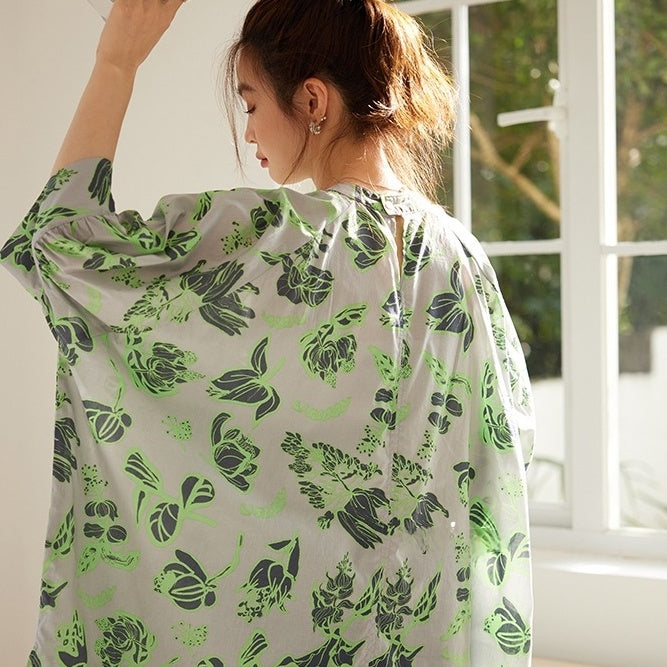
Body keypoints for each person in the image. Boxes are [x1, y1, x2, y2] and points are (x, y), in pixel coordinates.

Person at [1, 0, 534, 664]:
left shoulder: (273, 237)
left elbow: (58, 244)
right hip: (425, 634)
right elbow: (499, 453)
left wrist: (117, 62)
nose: (249, 130)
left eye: (251, 103)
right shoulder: (463, 258)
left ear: (312, 99)